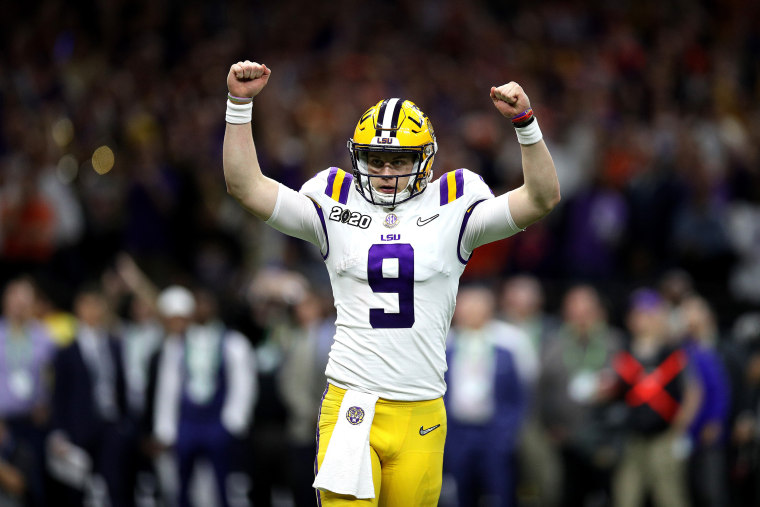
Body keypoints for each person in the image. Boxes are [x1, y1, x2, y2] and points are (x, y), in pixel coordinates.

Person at [222, 60, 561, 505]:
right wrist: (239, 106)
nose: (385, 171)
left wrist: (525, 124)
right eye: (375, 159)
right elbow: (245, 185)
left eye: (398, 159)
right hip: (351, 403)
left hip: (422, 407)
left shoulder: (455, 200)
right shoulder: (333, 196)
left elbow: (542, 197)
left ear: (424, 159)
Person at [443, 285, 537, 507]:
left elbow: (524, 389)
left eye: (478, 304)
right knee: (460, 492)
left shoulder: (510, 341)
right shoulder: (446, 343)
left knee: (501, 491)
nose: (472, 310)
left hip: (494, 430)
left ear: (490, 307)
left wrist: (509, 431)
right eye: (467, 305)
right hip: (457, 431)